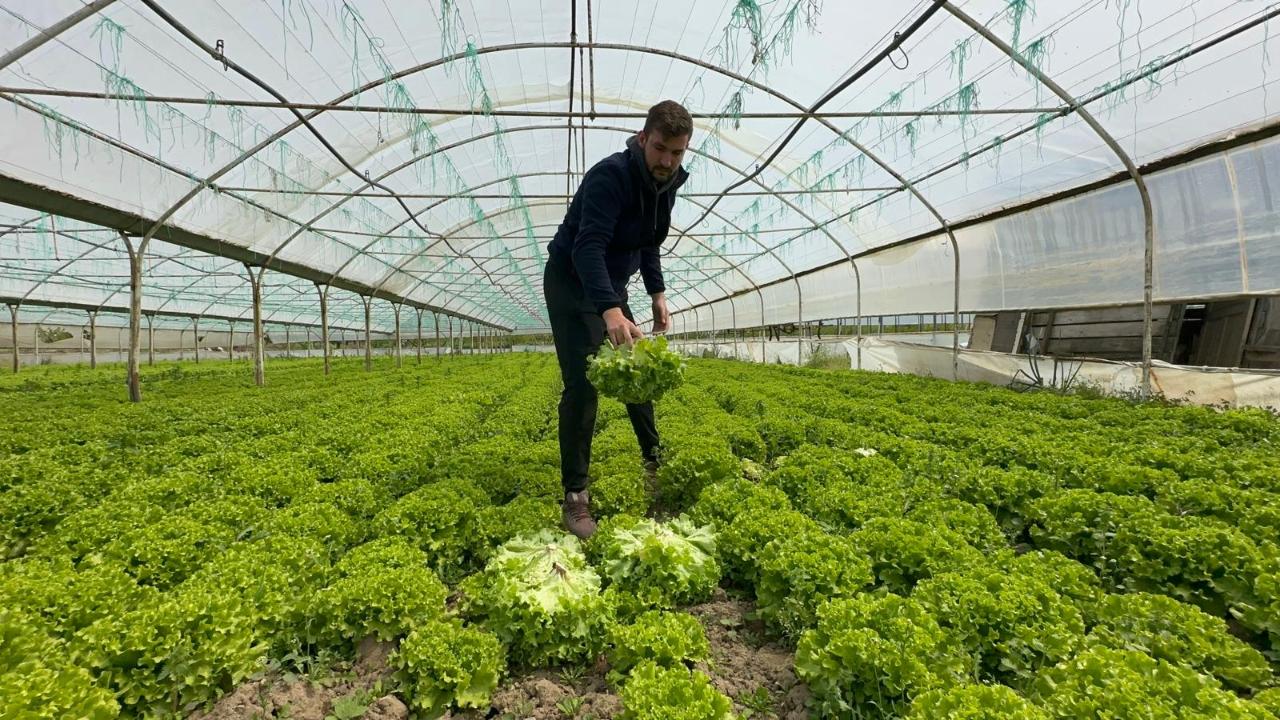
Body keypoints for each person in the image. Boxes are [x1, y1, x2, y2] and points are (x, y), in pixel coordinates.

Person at [543, 100, 692, 539]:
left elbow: (649, 241)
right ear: (643, 139)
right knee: (582, 384)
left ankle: (653, 459)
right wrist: (610, 310)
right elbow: (587, 246)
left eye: (677, 152)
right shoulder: (609, 177)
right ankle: (576, 497)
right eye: (660, 148)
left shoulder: (667, 182)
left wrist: (657, 293)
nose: (667, 161)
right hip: (571, 280)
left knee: (638, 367)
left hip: (610, 283)